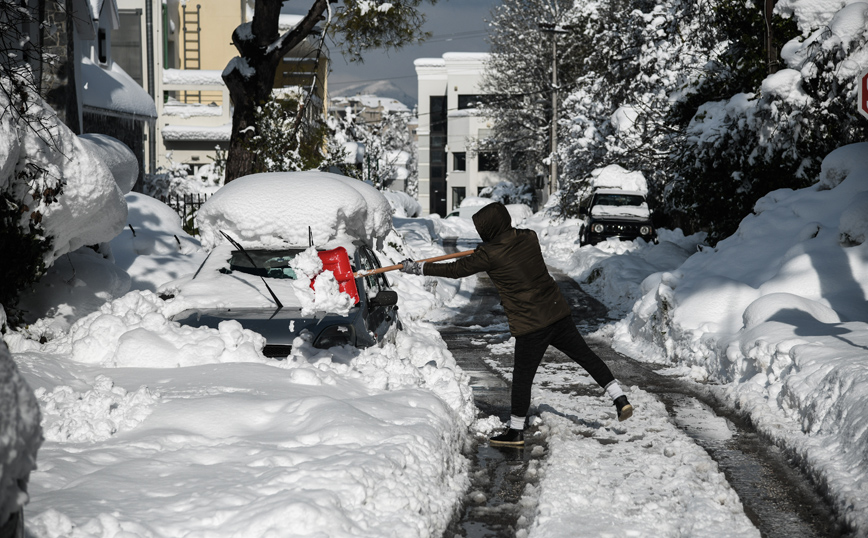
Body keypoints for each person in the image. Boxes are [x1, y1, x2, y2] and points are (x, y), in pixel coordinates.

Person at [400, 202, 632, 447]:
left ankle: (516, 432)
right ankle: (620, 399)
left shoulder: (489, 255)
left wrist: (418, 267)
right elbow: (500, 251)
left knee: (522, 378)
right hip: (557, 312)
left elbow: (456, 269)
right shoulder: (528, 237)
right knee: (586, 356)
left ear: (488, 229)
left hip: (532, 324)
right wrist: (485, 250)